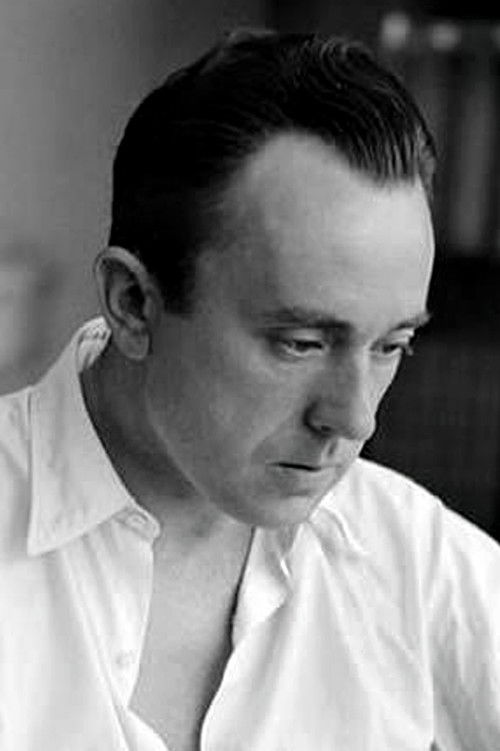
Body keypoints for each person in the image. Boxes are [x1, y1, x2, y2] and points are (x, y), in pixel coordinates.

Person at [1, 27, 499, 751]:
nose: (354, 418)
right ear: (133, 303)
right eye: (301, 342)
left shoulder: (414, 562)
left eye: (390, 346)